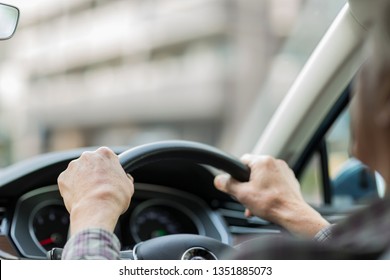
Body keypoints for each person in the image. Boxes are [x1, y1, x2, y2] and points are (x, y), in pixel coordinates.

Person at [57, 7, 390, 259]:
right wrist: (293, 210)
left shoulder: (273, 258)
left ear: (384, 103)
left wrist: (94, 207)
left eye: (367, 63)